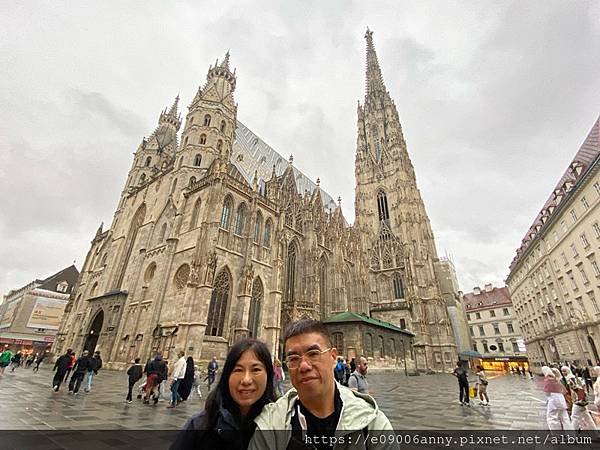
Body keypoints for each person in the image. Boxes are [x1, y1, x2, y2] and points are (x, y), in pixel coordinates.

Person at [249, 319, 396, 450]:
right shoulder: (270, 425)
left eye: (313, 354)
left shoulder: (372, 424)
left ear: (333, 357)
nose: (304, 366)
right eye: (293, 358)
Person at [172, 339, 276, 450]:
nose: (246, 380)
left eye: (255, 369)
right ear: (227, 375)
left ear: (268, 375)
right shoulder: (199, 426)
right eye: (238, 370)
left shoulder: (284, 426)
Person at [561, 366, 596, 430]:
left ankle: (572, 435)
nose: (563, 372)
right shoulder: (574, 377)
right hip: (581, 400)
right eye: (562, 371)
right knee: (587, 417)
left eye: (564, 371)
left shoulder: (570, 378)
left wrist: (580, 398)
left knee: (574, 417)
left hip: (577, 400)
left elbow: (576, 388)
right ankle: (595, 432)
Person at [542, 366, 573, 430]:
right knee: (565, 417)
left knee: (552, 418)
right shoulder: (556, 378)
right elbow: (564, 390)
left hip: (553, 400)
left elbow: (547, 392)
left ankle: (556, 435)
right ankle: (570, 435)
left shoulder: (548, 379)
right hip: (561, 399)